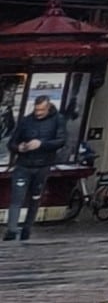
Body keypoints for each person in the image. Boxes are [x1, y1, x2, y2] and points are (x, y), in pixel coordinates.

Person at [3, 93, 57, 242]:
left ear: (48, 108)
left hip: (42, 165)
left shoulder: (57, 121)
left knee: (35, 197)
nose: (38, 113)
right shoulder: (26, 121)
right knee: (16, 198)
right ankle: (12, 230)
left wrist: (42, 144)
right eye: (36, 109)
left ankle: (27, 229)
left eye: (41, 110)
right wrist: (19, 147)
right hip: (24, 164)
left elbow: (61, 141)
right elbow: (12, 143)